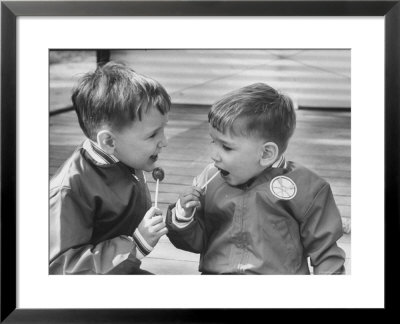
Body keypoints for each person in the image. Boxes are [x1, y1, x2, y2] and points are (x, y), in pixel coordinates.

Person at [166, 83, 346, 275]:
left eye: (226, 147)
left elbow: (326, 253)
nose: (213, 155)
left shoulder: (306, 188)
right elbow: (197, 241)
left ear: (267, 153)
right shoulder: (209, 181)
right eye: (213, 141)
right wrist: (183, 216)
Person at [49, 62, 170, 274]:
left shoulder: (124, 157)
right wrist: (135, 245)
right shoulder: (68, 191)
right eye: (153, 135)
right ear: (109, 142)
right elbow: (62, 269)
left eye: (163, 130)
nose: (164, 141)